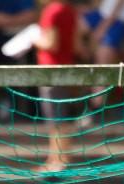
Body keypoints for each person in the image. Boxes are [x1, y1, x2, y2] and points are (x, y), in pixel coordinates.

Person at [33, 0, 86, 173]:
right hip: (67, 70)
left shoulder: (51, 11)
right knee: (62, 118)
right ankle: (58, 159)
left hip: (51, 72)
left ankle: (57, 162)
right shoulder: (70, 11)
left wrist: (34, 39)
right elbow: (77, 46)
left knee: (56, 120)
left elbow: (51, 44)